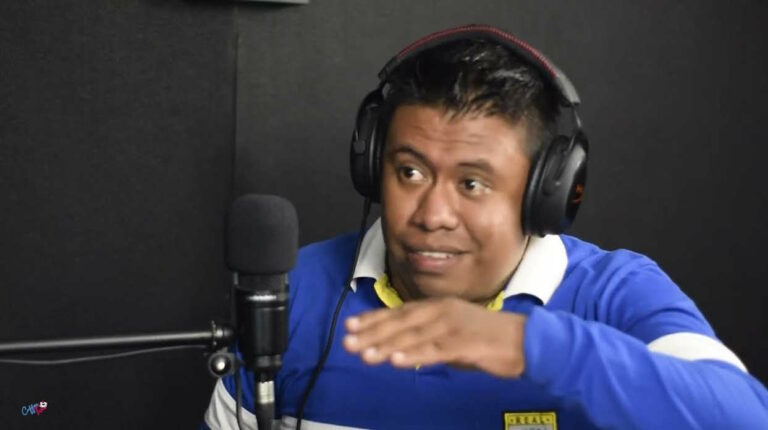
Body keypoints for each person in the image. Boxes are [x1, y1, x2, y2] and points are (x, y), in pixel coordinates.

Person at [203, 25, 768, 429]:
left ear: (545, 194)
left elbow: (746, 416)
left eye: (472, 183)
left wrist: (532, 345)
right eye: (410, 172)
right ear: (372, 166)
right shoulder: (296, 290)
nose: (432, 214)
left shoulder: (617, 293)